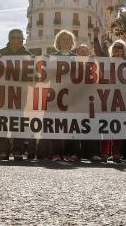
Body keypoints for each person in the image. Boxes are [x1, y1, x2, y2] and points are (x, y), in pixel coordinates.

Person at [0, 29, 34, 161]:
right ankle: (2, 151)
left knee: (19, 123)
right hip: (2, 94)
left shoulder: (29, 56)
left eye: (19, 38)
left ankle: (18, 151)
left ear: (22, 39)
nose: (17, 40)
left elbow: (34, 78)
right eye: (14, 37)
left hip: (20, 96)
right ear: (9, 39)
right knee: (2, 122)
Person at [45, 29, 77, 162]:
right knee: (55, 124)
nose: (65, 41)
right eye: (63, 39)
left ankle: (69, 153)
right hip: (55, 95)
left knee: (70, 125)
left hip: (72, 96)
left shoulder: (77, 57)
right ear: (58, 42)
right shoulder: (51, 56)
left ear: (72, 43)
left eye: (68, 39)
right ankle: (56, 153)